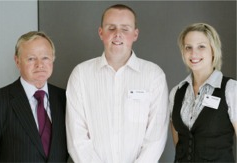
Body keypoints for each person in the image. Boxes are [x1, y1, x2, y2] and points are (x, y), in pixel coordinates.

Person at [66, 4, 169, 163]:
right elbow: (77, 139)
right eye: (111, 28)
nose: (118, 34)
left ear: (135, 34)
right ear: (101, 32)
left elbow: (156, 137)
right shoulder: (80, 75)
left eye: (125, 29)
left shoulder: (154, 75)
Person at [169, 23, 237, 162]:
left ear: (213, 50)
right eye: (188, 47)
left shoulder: (231, 89)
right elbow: (179, 143)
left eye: (201, 46)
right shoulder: (176, 92)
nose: (194, 53)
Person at [0, 31, 68, 162]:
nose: (39, 64)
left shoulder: (65, 98)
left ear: (53, 59)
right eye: (31, 58)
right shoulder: (0, 100)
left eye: (45, 58)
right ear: (17, 61)